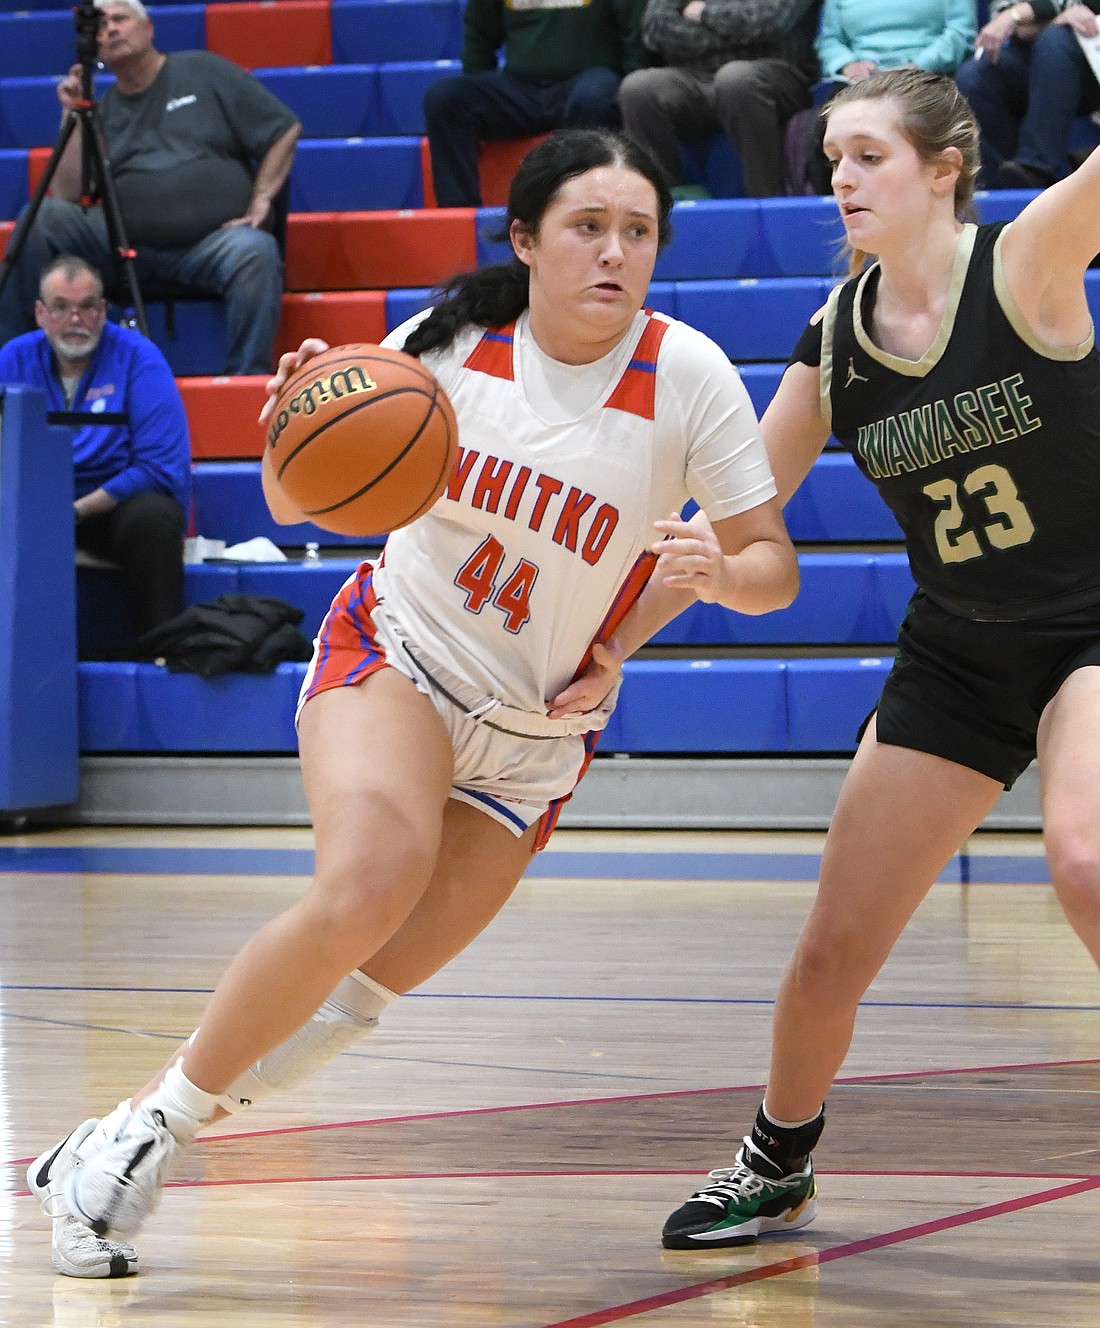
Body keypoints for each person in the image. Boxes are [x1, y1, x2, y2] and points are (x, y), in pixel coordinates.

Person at [25, 128, 800, 1278]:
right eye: (588, 227)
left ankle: (121, 1124)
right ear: (526, 238)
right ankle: (147, 1141)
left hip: (535, 732)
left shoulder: (683, 374)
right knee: (366, 883)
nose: (614, 253)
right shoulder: (448, 339)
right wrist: (296, 415)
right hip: (399, 652)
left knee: (355, 998)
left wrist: (703, 581)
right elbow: (301, 497)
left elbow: (768, 569)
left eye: (637, 232)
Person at [633, 65, 1100, 1250]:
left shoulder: (1023, 261)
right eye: (830, 157)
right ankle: (775, 1161)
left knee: (1085, 854)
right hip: (955, 652)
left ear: (941, 171)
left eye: (866, 156)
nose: (837, 176)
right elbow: (743, 539)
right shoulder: (830, 340)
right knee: (834, 940)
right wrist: (625, 636)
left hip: (1088, 626)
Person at [0, 0, 300, 375]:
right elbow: (68, 195)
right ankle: (9, 366)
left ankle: (247, 379)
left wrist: (261, 199)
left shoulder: (203, 70)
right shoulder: (99, 108)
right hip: (124, 245)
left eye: (120, 19)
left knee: (256, 252)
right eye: (102, 24)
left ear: (148, 28)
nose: (109, 29)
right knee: (42, 217)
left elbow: (284, 128)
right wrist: (72, 114)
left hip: (211, 244)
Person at [0, 253, 190, 651]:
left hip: (110, 510)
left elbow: (159, 467)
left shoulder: (140, 359)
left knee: (155, 516)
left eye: (87, 307)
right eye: (61, 307)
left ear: (103, 312)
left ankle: (162, 653)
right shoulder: (13, 360)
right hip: (30, 507)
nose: (75, 319)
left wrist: (76, 510)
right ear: (39, 313)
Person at [422, 0, 647, 207]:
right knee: (445, 98)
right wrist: (476, 80)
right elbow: (479, 33)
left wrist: (630, 90)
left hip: (587, 83)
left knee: (592, 97)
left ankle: (586, 205)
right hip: (521, 89)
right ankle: (459, 214)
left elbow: (633, 31)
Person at [617, 0, 821, 201]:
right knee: (638, 88)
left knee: (735, 79)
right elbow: (656, 29)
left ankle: (767, 202)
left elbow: (768, 22)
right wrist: (733, 37)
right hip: (696, 75)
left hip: (775, 73)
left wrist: (703, 13)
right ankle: (661, 204)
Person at [790, 0, 976, 194]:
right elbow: (829, 40)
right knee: (826, 120)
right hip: (858, 80)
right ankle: (834, 201)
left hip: (928, 74)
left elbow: (960, 32)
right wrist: (848, 65)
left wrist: (919, 65)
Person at [955, 1, 1100, 190]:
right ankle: (1000, 185)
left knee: (1054, 42)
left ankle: (1039, 168)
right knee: (974, 77)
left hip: (1088, 59)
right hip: (1034, 48)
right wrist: (1047, 18)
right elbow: (1007, 23)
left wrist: (1017, 15)